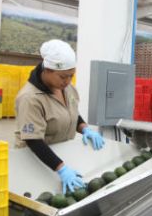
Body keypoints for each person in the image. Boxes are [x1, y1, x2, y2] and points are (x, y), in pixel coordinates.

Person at [15, 39, 105, 194]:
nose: (68, 81)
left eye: (71, 75)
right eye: (63, 76)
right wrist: (61, 169)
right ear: (47, 70)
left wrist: (85, 129)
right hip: (34, 161)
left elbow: (71, 113)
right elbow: (33, 141)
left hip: (59, 157)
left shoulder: (67, 88)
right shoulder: (30, 98)